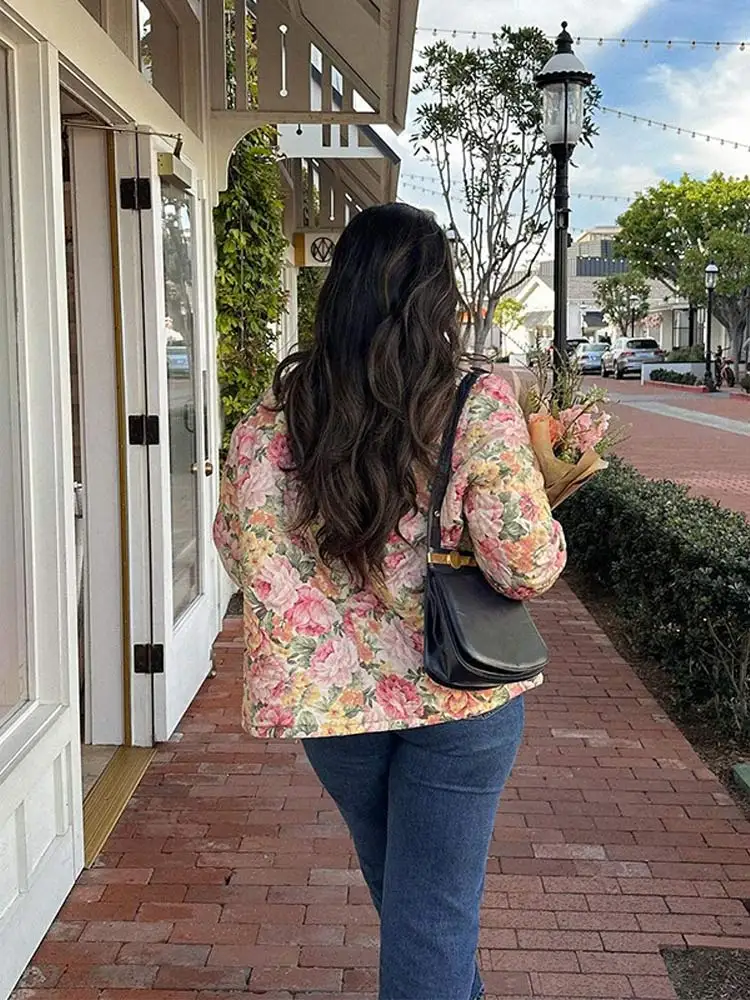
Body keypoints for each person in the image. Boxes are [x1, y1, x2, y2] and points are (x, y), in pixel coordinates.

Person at [213, 203, 566, 1000]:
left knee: (410, 905)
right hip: (460, 696)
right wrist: (545, 500)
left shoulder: (269, 424)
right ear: (435, 302)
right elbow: (526, 567)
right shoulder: (474, 404)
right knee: (431, 916)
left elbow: (240, 553)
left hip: (336, 710)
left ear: (336, 294)